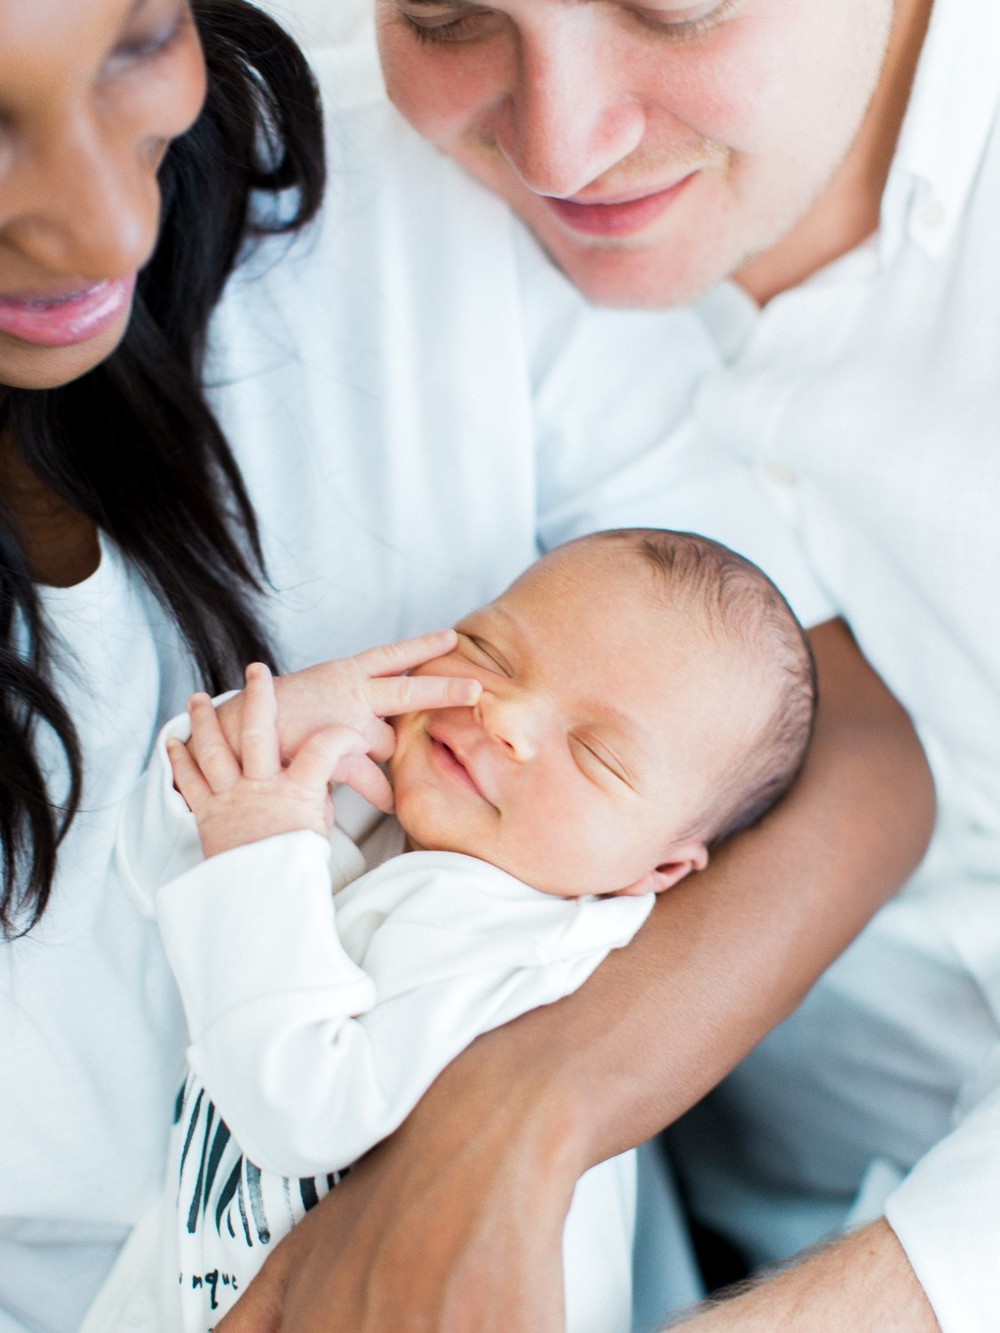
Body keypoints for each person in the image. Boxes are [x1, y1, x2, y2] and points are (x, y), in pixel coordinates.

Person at [0, 1, 931, 1330]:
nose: (107, 233)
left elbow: (837, 740)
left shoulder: (414, 208)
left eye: (136, 44)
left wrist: (515, 1121)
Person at [86, 527, 817, 1332]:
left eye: (596, 754)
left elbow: (303, 1110)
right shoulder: (388, 804)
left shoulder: (518, 942)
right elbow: (163, 854)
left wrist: (259, 840)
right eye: (489, 653)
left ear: (657, 872)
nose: (505, 715)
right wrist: (281, 721)